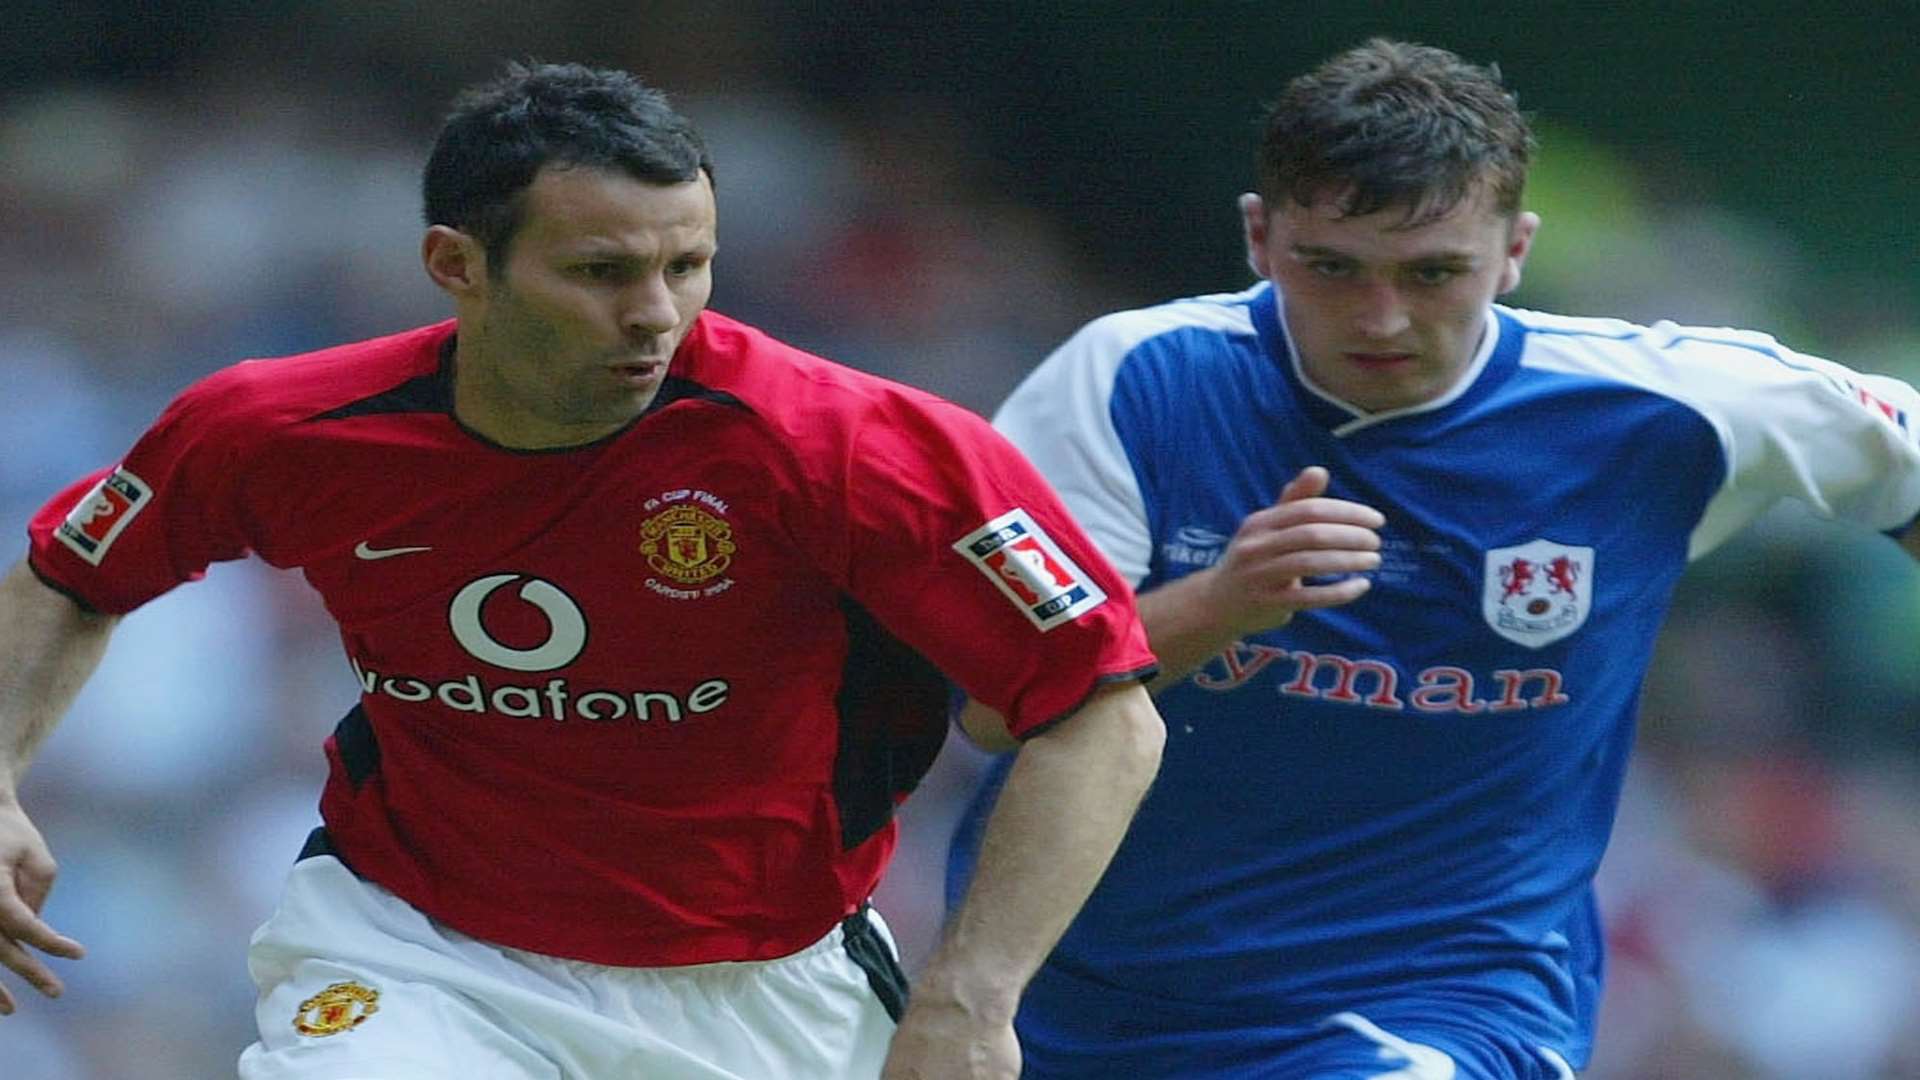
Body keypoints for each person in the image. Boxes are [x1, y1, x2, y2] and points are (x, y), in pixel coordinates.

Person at [0, 61, 1167, 1079]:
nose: (656, 315)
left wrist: (976, 990)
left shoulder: (854, 447)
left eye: (690, 265)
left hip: (759, 988)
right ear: (458, 264)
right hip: (418, 953)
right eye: (603, 272)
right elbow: (70, 578)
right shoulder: (280, 428)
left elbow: (1100, 712)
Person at [947, 37, 1920, 1080]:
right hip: (1082, 994)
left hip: (1448, 999)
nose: (1383, 318)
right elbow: (995, 713)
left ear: (1514, 252)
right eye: (1333, 268)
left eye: (1434, 273)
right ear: (1259, 236)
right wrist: (1219, 603)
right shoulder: (1131, 382)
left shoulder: (1670, 409)